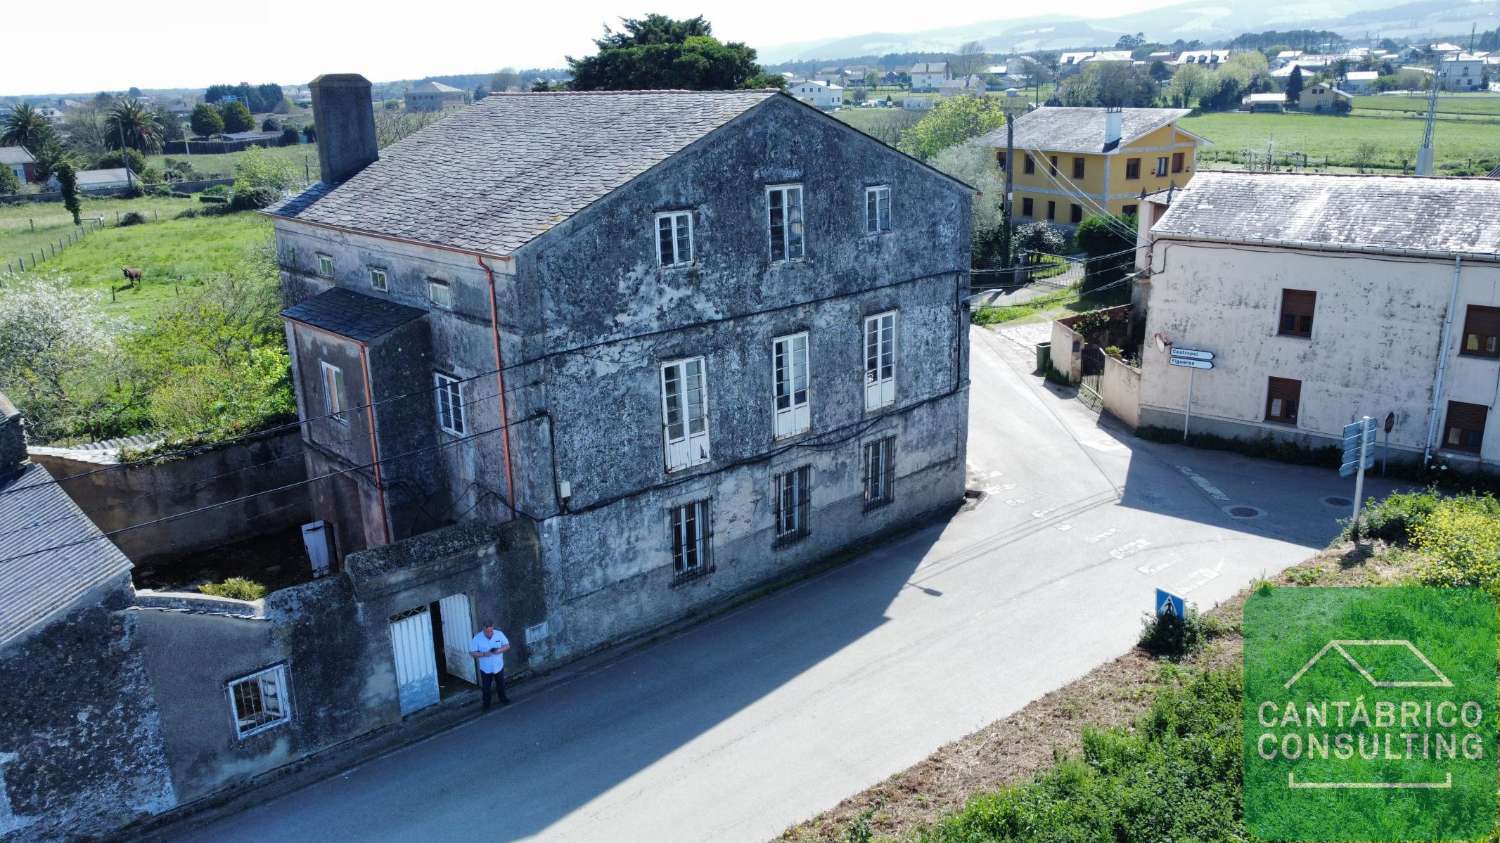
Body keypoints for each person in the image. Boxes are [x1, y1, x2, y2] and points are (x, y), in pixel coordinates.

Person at [469, 621, 511, 711]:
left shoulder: (499, 634)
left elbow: (507, 646)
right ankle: (486, 704)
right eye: (487, 631)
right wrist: (484, 654)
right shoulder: (477, 638)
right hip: (486, 668)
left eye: (491, 631)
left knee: (501, 684)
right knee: (486, 688)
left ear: (493, 628)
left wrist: (499, 650)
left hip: (498, 666)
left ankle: (503, 699)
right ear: (483, 629)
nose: (489, 633)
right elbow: (472, 653)